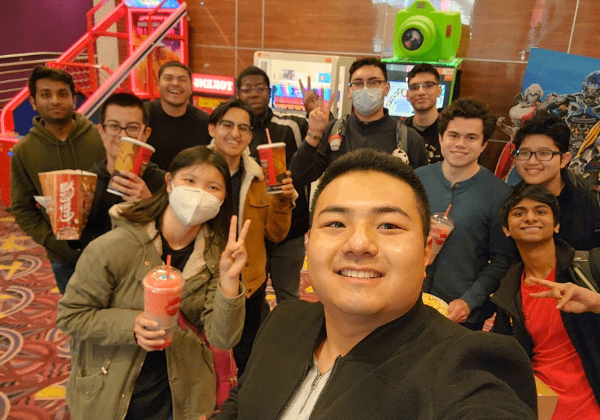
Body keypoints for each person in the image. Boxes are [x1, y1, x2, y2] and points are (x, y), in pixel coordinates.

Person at [215, 149, 537, 420]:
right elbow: (241, 405)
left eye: (388, 225)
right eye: (336, 223)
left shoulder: (466, 367)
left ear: (427, 251)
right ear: (309, 244)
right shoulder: (284, 321)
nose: (358, 243)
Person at [56, 146, 248, 420]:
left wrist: (230, 281)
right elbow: (71, 315)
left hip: (181, 391)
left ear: (223, 197)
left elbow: (223, 338)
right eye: (190, 181)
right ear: (169, 182)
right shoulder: (115, 247)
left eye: (213, 187)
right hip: (113, 385)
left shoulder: (217, 256)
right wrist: (130, 325)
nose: (198, 194)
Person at [493, 184, 600, 419]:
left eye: (541, 211)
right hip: (543, 412)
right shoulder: (507, 292)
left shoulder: (590, 266)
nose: (530, 217)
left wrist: (595, 303)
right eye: (519, 213)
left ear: (557, 224)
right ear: (506, 229)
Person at [415, 98, 517, 330]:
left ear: (484, 144)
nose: (460, 144)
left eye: (471, 137)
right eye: (453, 135)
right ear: (441, 138)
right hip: (407, 302)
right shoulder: (417, 180)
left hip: (459, 312)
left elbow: (502, 260)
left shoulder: (499, 194)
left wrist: (470, 301)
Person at [210, 98, 294, 375]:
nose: (235, 133)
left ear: (250, 136)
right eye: (228, 125)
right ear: (212, 128)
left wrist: (283, 200)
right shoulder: (192, 171)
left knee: (248, 352)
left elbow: (276, 233)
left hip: (250, 281)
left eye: (243, 128)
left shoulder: (260, 178)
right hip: (204, 280)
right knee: (200, 351)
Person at [10, 66, 105, 294]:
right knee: (76, 316)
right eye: (45, 94)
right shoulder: (24, 151)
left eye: (62, 94)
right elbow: (22, 208)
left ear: (74, 98)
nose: (55, 101)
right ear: (33, 102)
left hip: (107, 245)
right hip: (62, 255)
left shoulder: (99, 136)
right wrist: (51, 242)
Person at [290, 57, 428, 188]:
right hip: (340, 210)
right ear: (350, 91)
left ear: (386, 88)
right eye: (358, 83)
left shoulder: (410, 140)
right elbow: (299, 177)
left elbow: (420, 194)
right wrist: (314, 134)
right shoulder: (333, 130)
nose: (365, 88)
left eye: (373, 82)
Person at [236, 66, 309, 304]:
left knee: (287, 295)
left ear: (270, 92)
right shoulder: (235, 133)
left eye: (260, 88)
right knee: (250, 294)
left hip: (290, 231)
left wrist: (318, 116)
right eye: (247, 89)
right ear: (238, 94)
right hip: (251, 232)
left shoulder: (293, 126)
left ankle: (286, 340)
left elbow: (312, 163)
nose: (254, 94)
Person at [81, 92, 166, 248]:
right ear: (101, 131)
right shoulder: (87, 181)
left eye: (132, 128)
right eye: (114, 126)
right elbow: (78, 241)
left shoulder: (163, 183)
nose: (123, 135)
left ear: (145, 134)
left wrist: (149, 204)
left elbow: (173, 239)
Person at [512, 110, 600, 250]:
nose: (532, 161)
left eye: (544, 153)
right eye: (524, 153)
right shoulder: (508, 202)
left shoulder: (590, 202)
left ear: (564, 160)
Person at [145, 61, 211, 170]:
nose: (175, 83)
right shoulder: (143, 115)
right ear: (158, 84)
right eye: (168, 78)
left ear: (191, 87)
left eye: (182, 79)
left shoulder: (204, 122)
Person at [404, 63, 444, 163]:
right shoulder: (400, 131)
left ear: (439, 91)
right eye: (414, 87)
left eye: (428, 85)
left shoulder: (451, 130)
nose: (421, 92)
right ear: (407, 95)